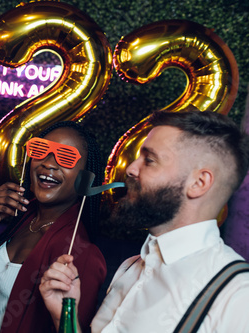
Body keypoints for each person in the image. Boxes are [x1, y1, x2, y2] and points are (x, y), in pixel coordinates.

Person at [42, 111, 249, 332]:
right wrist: (65, 314)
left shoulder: (237, 297)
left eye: (149, 160)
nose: (131, 169)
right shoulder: (130, 267)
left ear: (198, 183)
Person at [0, 121, 107, 333]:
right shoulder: (25, 216)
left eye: (66, 156)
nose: (48, 163)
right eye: (41, 150)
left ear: (85, 178)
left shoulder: (82, 254)